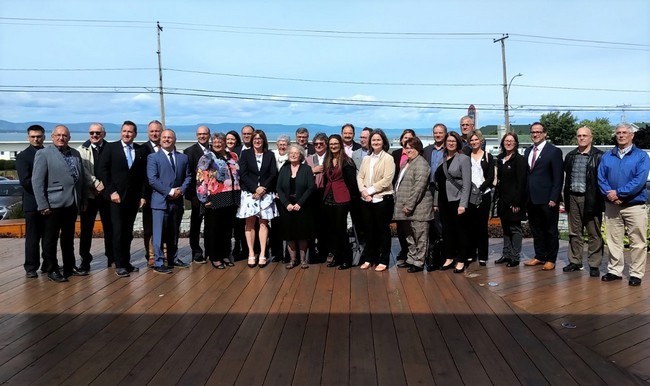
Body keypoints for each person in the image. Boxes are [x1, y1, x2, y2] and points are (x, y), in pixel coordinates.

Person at [598, 122, 650, 286]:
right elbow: (601, 178)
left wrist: (619, 193)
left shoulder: (641, 156)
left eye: (624, 132)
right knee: (613, 241)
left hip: (634, 205)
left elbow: (639, 180)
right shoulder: (608, 156)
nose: (621, 135)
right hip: (612, 205)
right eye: (618, 132)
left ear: (632, 135)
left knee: (638, 241)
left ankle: (636, 273)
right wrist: (611, 195)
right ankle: (615, 270)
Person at [32, 125, 85, 282]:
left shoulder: (75, 154)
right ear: (52, 137)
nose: (61, 138)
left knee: (68, 238)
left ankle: (70, 266)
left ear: (69, 137)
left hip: (71, 203)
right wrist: (43, 204)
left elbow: (78, 179)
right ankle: (52, 269)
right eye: (58, 135)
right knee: (50, 239)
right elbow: (37, 181)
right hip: (52, 204)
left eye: (64, 135)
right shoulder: (43, 154)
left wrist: (80, 200)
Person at [99, 120, 147, 278]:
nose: (127, 134)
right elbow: (103, 171)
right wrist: (112, 191)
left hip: (133, 199)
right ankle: (119, 264)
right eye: (124, 131)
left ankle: (126, 262)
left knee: (128, 232)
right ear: (121, 132)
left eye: (130, 132)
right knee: (118, 232)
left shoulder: (140, 150)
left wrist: (142, 196)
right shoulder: (110, 148)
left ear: (135, 134)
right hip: (116, 198)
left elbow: (142, 176)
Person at [147, 129, 192, 274]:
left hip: (177, 201)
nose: (167, 139)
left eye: (170, 137)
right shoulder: (153, 157)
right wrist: (170, 191)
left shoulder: (183, 158)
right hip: (160, 202)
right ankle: (159, 262)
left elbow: (189, 177)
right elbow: (152, 179)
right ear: (160, 140)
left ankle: (173, 258)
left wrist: (181, 190)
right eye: (164, 137)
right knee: (159, 233)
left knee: (174, 232)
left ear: (175, 140)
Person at [562, 126, 604, 277]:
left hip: (591, 198)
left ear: (591, 138)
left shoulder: (599, 156)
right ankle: (575, 261)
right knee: (574, 232)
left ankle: (594, 264)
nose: (581, 138)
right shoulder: (571, 156)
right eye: (579, 135)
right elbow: (566, 178)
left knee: (594, 233)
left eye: (585, 135)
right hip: (573, 197)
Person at [197, 133, 241, 269]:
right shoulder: (207, 157)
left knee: (227, 229)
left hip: (231, 196)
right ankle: (215, 256)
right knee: (214, 228)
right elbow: (200, 178)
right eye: (215, 142)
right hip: (214, 196)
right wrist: (204, 199)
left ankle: (225, 254)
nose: (218, 144)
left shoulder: (232, 156)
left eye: (220, 141)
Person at [523, 122, 564, 271]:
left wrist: (554, 197)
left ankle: (551, 259)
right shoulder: (527, 151)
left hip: (548, 199)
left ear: (545, 133)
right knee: (536, 229)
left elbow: (558, 177)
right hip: (531, 199)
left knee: (550, 230)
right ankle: (539, 256)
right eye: (533, 132)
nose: (535, 134)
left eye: (538, 132)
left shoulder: (553, 151)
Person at [237, 130, 278, 268]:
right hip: (249, 193)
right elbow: (243, 174)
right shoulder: (245, 154)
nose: (257, 141)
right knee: (249, 223)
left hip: (265, 194)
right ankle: (251, 253)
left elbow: (273, 173)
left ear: (264, 140)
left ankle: (262, 254)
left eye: (260, 138)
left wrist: (263, 188)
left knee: (263, 224)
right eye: (255, 138)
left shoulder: (270, 155)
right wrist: (255, 188)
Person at [357, 129, 395, 272]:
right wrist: (363, 192)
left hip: (382, 200)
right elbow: (360, 177)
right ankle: (369, 258)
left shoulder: (388, 158)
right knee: (369, 231)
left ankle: (383, 260)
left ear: (383, 141)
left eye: (378, 140)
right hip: (366, 200)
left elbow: (387, 180)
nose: (376, 142)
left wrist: (370, 190)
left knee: (383, 231)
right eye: (373, 140)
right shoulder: (366, 159)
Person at [394, 137, 434, 273]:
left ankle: (419, 262)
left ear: (418, 149)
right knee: (409, 237)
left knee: (420, 237)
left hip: (419, 208)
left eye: (412, 147)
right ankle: (411, 259)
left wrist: (409, 205)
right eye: (407, 147)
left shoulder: (421, 164)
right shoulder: (406, 163)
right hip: (405, 208)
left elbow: (419, 187)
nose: (409, 150)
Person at [77, 123, 113, 272]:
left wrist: (106, 186)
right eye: (92, 133)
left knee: (110, 228)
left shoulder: (111, 149)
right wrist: (95, 184)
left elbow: (113, 170)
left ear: (104, 134)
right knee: (86, 230)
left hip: (106, 195)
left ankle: (112, 258)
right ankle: (85, 261)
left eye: (98, 133)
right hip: (89, 195)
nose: (94, 135)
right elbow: (82, 171)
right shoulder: (81, 150)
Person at [434, 131, 471, 273]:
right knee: (447, 231)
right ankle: (449, 257)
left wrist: (463, 204)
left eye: (453, 141)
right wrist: (436, 202)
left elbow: (466, 184)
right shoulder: (441, 159)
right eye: (448, 141)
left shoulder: (463, 159)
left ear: (458, 143)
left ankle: (461, 259)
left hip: (457, 199)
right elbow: (438, 182)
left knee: (460, 231)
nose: (451, 143)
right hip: (443, 200)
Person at [322, 134, 358, 270]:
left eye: (335, 143)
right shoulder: (328, 160)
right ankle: (336, 256)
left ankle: (346, 258)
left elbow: (352, 183)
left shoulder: (346, 161)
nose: (333, 146)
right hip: (328, 198)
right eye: (331, 144)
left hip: (342, 199)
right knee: (331, 230)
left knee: (341, 229)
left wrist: (353, 199)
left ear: (340, 144)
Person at [276, 144, 315, 269]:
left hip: (302, 207)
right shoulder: (284, 168)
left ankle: (303, 260)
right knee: (289, 234)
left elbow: (310, 188)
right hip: (287, 207)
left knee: (302, 234)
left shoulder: (307, 169)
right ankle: (293, 260)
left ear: (301, 155)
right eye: (291, 153)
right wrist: (286, 204)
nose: (293, 155)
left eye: (296, 153)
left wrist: (299, 204)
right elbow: (279, 188)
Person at [16, 124, 46, 278]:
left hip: (50, 203)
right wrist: (46, 187)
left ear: (44, 137)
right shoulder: (23, 156)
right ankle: (31, 267)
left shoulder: (50, 153)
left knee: (49, 236)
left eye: (39, 136)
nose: (36, 139)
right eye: (33, 136)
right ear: (28, 137)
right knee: (33, 237)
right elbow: (25, 181)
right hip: (32, 202)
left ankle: (48, 264)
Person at [494, 133, 528, 267]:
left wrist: (517, 202)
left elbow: (521, 183)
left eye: (511, 141)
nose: (508, 143)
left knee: (515, 228)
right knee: (506, 228)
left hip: (514, 201)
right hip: (503, 200)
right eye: (506, 141)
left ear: (516, 143)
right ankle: (506, 254)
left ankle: (515, 256)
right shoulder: (501, 158)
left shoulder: (519, 160)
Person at [466, 130, 495, 266]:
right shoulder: (466, 156)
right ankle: (471, 253)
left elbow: (490, 177)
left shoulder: (488, 157)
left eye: (476, 140)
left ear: (481, 141)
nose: (474, 142)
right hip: (469, 194)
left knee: (482, 226)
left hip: (484, 194)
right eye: (471, 140)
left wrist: (481, 189)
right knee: (470, 225)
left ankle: (483, 255)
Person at [183, 125, 211, 264]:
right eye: (200, 134)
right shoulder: (189, 152)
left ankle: (210, 250)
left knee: (211, 225)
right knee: (196, 225)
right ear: (196, 135)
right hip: (196, 197)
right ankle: (196, 251)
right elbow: (187, 175)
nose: (202, 136)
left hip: (212, 196)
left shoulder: (214, 150)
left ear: (209, 135)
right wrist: (191, 196)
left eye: (205, 134)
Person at [422, 123, 447, 270]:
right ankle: (432, 257)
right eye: (435, 133)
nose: (437, 135)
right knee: (431, 224)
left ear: (445, 133)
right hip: (429, 189)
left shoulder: (449, 150)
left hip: (443, 190)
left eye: (440, 132)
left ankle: (444, 255)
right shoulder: (427, 150)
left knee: (441, 224)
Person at [392, 129, 416, 262]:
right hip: (397, 195)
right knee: (400, 225)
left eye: (410, 138)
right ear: (401, 140)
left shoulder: (418, 155)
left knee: (411, 226)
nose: (407, 140)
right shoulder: (395, 154)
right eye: (405, 138)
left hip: (411, 194)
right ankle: (404, 250)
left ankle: (413, 252)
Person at [141, 120, 163, 267]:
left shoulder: (168, 147)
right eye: (152, 131)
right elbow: (140, 176)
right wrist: (142, 195)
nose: (155, 134)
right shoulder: (142, 149)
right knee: (149, 226)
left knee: (165, 225)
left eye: (157, 131)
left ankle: (164, 254)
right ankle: (150, 255)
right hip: (148, 194)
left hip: (165, 194)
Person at [305, 132, 329, 263]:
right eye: (316, 144)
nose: (318, 145)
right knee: (314, 224)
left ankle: (326, 250)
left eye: (321, 143)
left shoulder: (331, 158)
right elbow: (302, 174)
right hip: (313, 195)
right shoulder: (309, 159)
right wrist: (312, 171)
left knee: (326, 224)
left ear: (326, 145)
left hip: (327, 193)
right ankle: (314, 253)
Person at [270, 134, 291, 261]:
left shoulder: (292, 157)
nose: (282, 146)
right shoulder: (272, 156)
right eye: (280, 144)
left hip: (287, 196)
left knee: (287, 224)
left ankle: (288, 254)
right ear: (277, 145)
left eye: (285, 144)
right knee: (275, 224)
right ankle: (276, 253)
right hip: (273, 195)